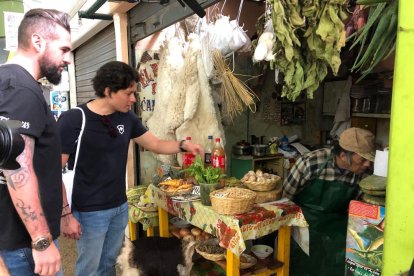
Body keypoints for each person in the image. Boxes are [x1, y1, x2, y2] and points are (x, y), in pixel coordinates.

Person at [58, 60, 204, 276]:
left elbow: (154, 144)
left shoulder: (127, 118)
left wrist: (183, 146)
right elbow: (52, 171)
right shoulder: (73, 120)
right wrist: (65, 215)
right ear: (108, 91)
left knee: (109, 263)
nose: (134, 99)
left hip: (119, 206)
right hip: (90, 211)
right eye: (129, 93)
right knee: (89, 269)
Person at [0, 8, 72, 276]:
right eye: (63, 50)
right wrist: (42, 241)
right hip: (25, 245)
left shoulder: (10, 82)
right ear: (38, 42)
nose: (68, 59)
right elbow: (17, 169)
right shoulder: (20, 89)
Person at [282, 127, 375, 276]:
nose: (367, 165)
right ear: (344, 155)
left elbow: (358, 208)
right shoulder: (311, 162)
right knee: (303, 264)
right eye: (362, 160)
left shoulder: (364, 175)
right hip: (304, 222)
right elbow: (285, 199)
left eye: (369, 160)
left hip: (336, 225)